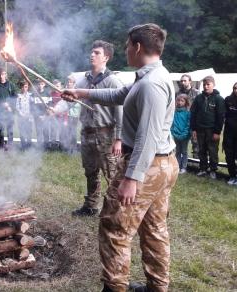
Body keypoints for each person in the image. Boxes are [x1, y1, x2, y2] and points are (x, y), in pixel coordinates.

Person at [62, 23, 178, 292]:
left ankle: (114, 288)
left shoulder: (151, 85)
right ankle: (157, 287)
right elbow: (117, 95)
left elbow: (147, 137)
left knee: (115, 227)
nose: (125, 50)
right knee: (153, 228)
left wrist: (131, 177)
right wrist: (81, 93)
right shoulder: (148, 76)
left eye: (127, 45)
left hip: (148, 166)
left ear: (137, 47)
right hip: (161, 164)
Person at [71, 40, 123, 217]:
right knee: (90, 172)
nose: (92, 55)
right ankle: (91, 205)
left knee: (112, 174)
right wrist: (56, 108)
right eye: (91, 52)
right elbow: (72, 96)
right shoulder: (83, 80)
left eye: (97, 53)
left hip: (106, 135)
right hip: (86, 133)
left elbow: (119, 111)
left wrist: (118, 139)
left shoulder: (112, 81)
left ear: (106, 57)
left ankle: (117, 211)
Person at [190, 76, 225, 179]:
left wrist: (217, 132)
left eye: (208, 84)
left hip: (212, 130)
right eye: (204, 84)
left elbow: (220, 116)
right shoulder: (198, 98)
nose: (206, 86)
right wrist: (194, 129)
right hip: (200, 129)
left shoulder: (219, 99)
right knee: (202, 150)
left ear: (213, 85)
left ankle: (213, 170)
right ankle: (203, 169)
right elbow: (193, 113)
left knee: (213, 151)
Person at [0, 69, 17, 150]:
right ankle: (1, 144)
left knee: (10, 128)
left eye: (3, 74)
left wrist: (9, 105)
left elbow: (15, 96)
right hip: (0, 111)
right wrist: (3, 104)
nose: (1, 76)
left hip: (9, 110)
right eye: (0, 74)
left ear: (6, 75)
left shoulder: (11, 85)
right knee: (1, 128)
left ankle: (10, 144)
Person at [177, 74, 200, 159]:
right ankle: (182, 162)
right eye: (181, 81)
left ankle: (196, 163)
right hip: (181, 122)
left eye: (185, 80)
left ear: (190, 81)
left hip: (193, 121)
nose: (182, 82)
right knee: (181, 143)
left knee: (196, 143)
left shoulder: (197, 93)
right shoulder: (178, 93)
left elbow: (200, 107)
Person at [171, 94, 191, 174]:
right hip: (176, 135)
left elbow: (188, 125)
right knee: (178, 151)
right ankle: (177, 166)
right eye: (178, 100)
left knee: (184, 151)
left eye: (182, 101)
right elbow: (172, 124)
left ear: (186, 102)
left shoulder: (188, 113)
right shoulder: (174, 112)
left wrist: (184, 134)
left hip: (184, 136)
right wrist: (173, 132)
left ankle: (184, 167)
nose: (179, 102)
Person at [33, 80, 52, 149]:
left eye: (42, 84)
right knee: (38, 131)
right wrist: (38, 115)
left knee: (46, 131)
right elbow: (33, 106)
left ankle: (46, 146)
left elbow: (50, 105)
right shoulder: (35, 93)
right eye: (39, 84)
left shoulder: (47, 93)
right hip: (37, 116)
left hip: (45, 116)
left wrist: (45, 115)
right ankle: (39, 146)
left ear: (44, 85)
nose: (40, 85)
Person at [16, 81, 33, 150]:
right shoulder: (18, 96)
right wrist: (22, 115)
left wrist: (29, 115)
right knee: (22, 132)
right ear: (21, 88)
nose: (24, 88)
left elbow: (33, 105)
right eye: (23, 87)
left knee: (29, 131)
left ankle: (29, 146)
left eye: (26, 87)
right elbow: (17, 107)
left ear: (28, 87)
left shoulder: (31, 95)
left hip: (29, 117)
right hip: (21, 117)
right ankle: (23, 146)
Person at [66, 75, 81, 153]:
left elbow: (73, 103)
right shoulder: (66, 91)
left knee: (73, 131)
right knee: (68, 131)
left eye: (70, 82)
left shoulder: (76, 91)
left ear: (74, 83)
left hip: (74, 115)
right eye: (68, 82)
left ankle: (74, 148)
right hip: (68, 115)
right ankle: (69, 148)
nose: (69, 83)